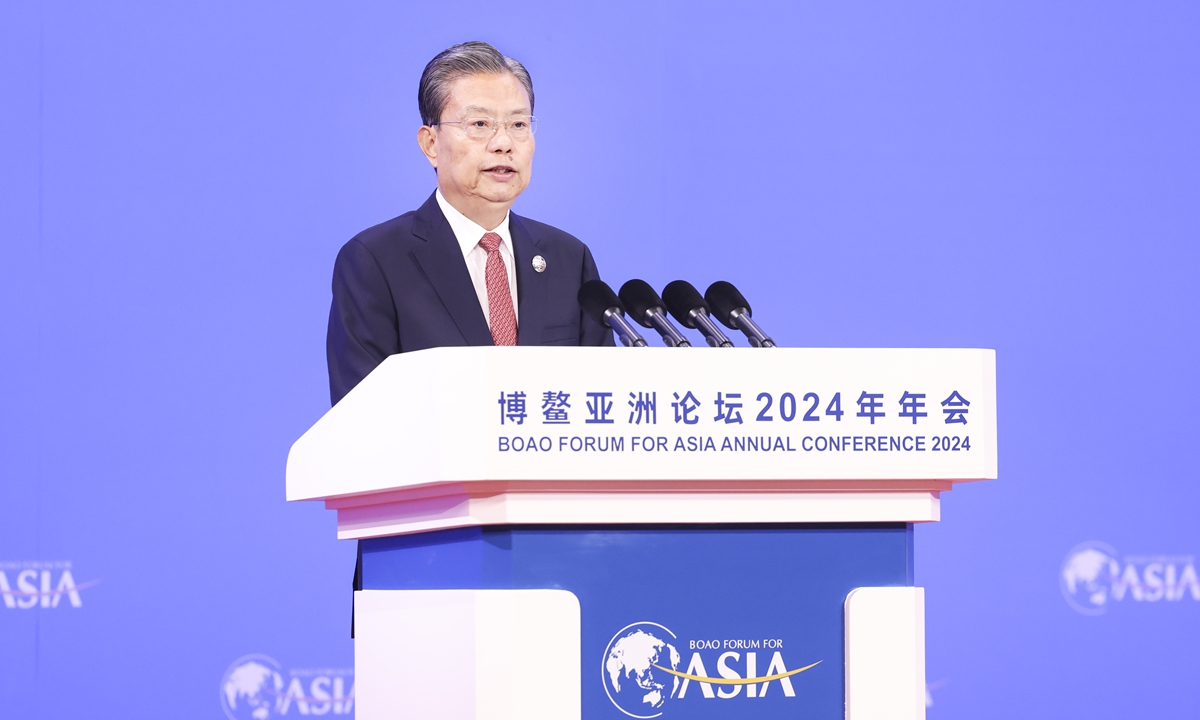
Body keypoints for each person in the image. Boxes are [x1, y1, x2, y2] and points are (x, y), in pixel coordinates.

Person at [326, 41, 614, 406]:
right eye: (480, 124)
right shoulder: (375, 262)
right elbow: (360, 418)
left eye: (518, 124)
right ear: (430, 143)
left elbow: (600, 405)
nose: (504, 143)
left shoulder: (569, 259)